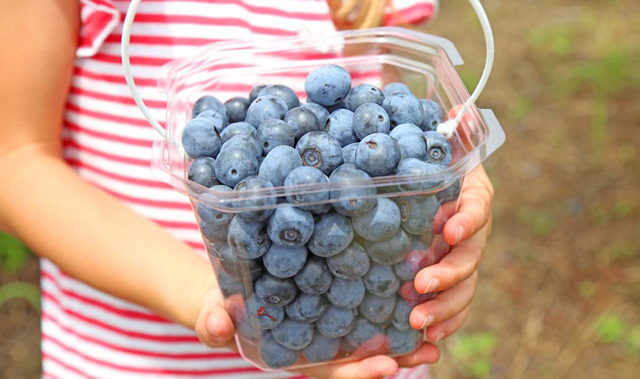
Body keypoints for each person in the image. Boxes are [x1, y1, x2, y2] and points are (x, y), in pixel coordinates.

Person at [0, 0, 494, 378]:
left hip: (363, 334)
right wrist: (202, 295)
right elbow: (14, 157)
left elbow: (383, 106)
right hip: (132, 357)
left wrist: (439, 191)